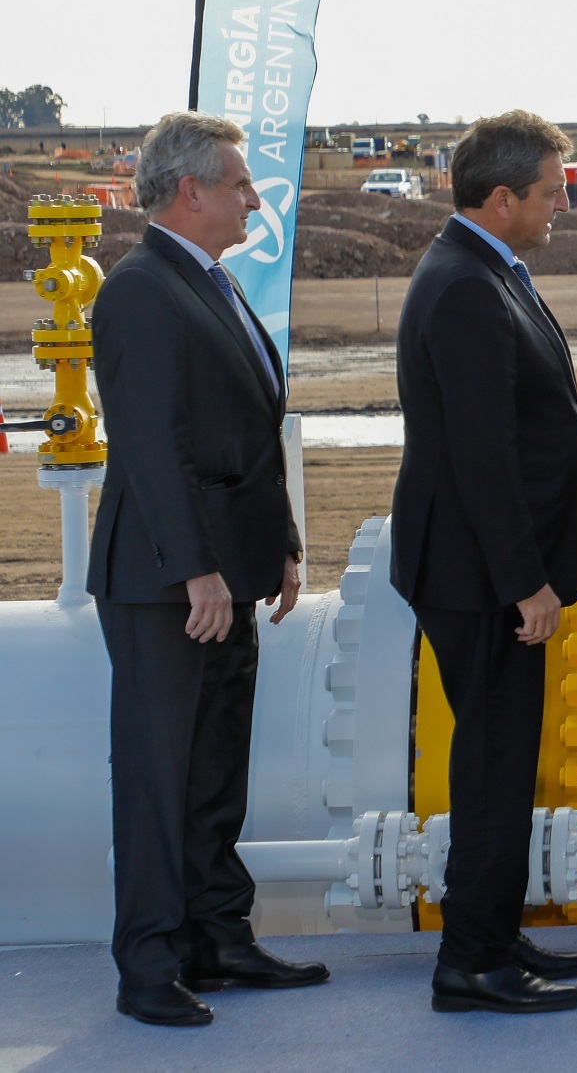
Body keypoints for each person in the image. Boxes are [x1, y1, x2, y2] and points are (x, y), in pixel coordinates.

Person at [89, 111, 325, 1027]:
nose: (254, 198)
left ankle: (216, 936)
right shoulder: (141, 289)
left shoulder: (208, 282)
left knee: (214, 765)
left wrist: (282, 544)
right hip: (167, 581)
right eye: (238, 182)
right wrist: (195, 569)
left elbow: (244, 437)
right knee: (159, 773)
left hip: (226, 570)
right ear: (190, 191)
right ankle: (149, 966)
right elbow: (152, 446)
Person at [391, 111, 577, 1015]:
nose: (563, 204)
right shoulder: (467, 286)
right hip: (483, 578)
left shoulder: (481, 268)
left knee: (506, 762)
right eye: (551, 191)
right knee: (492, 766)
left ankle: (493, 928)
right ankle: (471, 960)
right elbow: (484, 454)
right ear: (502, 196)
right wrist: (526, 581)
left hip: (482, 570)